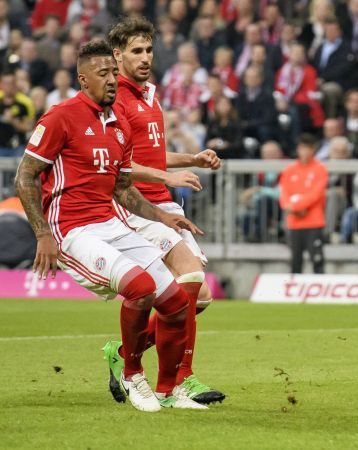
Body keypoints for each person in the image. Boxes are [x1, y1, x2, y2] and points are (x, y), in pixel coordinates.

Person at [15, 40, 205, 412]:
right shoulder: (60, 116)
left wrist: (162, 216)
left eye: (114, 74)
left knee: (178, 302)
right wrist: (42, 233)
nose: (113, 80)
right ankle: (133, 375)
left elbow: (123, 188)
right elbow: (25, 176)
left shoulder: (118, 126)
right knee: (141, 288)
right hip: (73, 229)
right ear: (83, 79)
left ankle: (169, 390)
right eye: (104, 74)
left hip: (109, 221)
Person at [104, 17, 225, 405]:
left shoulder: (149, 93)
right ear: (118, 55)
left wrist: (192, 159)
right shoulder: (115, 98)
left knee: (200, 295)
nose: (144, 58)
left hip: (164, 198)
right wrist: (166, 177)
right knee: (189, 273)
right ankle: (175, 383)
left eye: (149, 50)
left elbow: (150, 153)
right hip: (138, 203)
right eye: (136, 51)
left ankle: (124, 354)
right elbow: (118, 163)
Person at [279, 134, 328, 274]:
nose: (304, 152)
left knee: (317, 259)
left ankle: (320, 290)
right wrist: (291, 207)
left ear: (313, 150)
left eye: (308, 148)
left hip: (314, 222)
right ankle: (294, 293)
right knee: (295, 261)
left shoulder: (320, 169)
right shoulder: (289, 170)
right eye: (302, 148)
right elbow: (284, 193)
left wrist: (295, 206)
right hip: (294, 222)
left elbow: (316, 194)